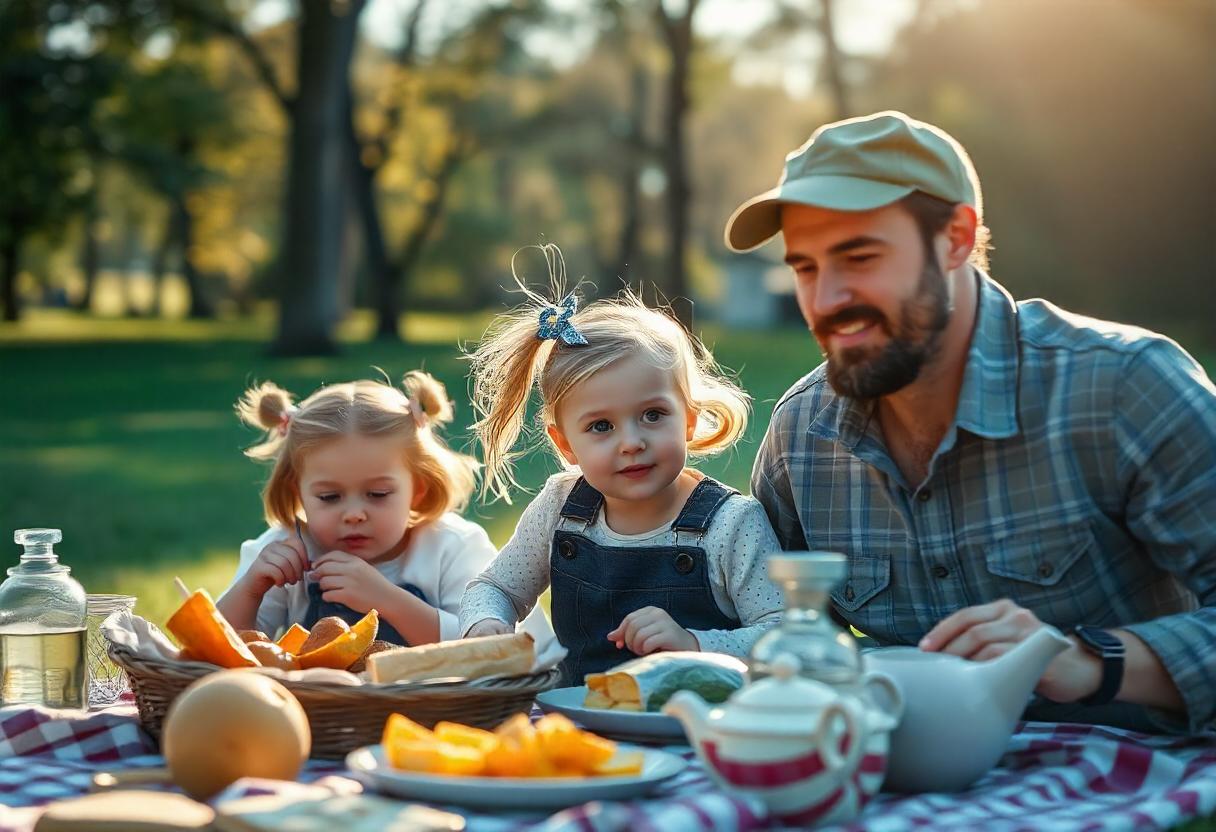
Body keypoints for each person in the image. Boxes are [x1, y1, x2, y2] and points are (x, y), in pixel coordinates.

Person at [732, 110, 1216, 733]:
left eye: (859, 257)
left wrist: (1088, 661)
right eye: (805, 268)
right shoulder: (801, 437)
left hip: (1131, 778)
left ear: (957, 238)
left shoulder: (1125, 388)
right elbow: (783, 649)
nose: (825, 301)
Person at [458, 247, 784, 685]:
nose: (631, 443)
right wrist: (486, 625)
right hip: (581, 725)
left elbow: (786, 637)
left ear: (688, 419)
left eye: (653, 415)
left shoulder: (731, 523)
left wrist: (694, 644)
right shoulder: (561, 508)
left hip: (695, 730)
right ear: (565, 444)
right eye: (601, 426)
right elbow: (494, 588)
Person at [217, 371, 495, 647]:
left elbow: (484, 646)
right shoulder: (283, 551)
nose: (353, 514)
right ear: (298, 493)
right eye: (329, 497)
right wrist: (251, 590)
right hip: (316, 693)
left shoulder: (452, 547)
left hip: (435, 692)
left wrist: (387, 599)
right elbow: (218, 650)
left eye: (377, 494)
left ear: (417, 489)